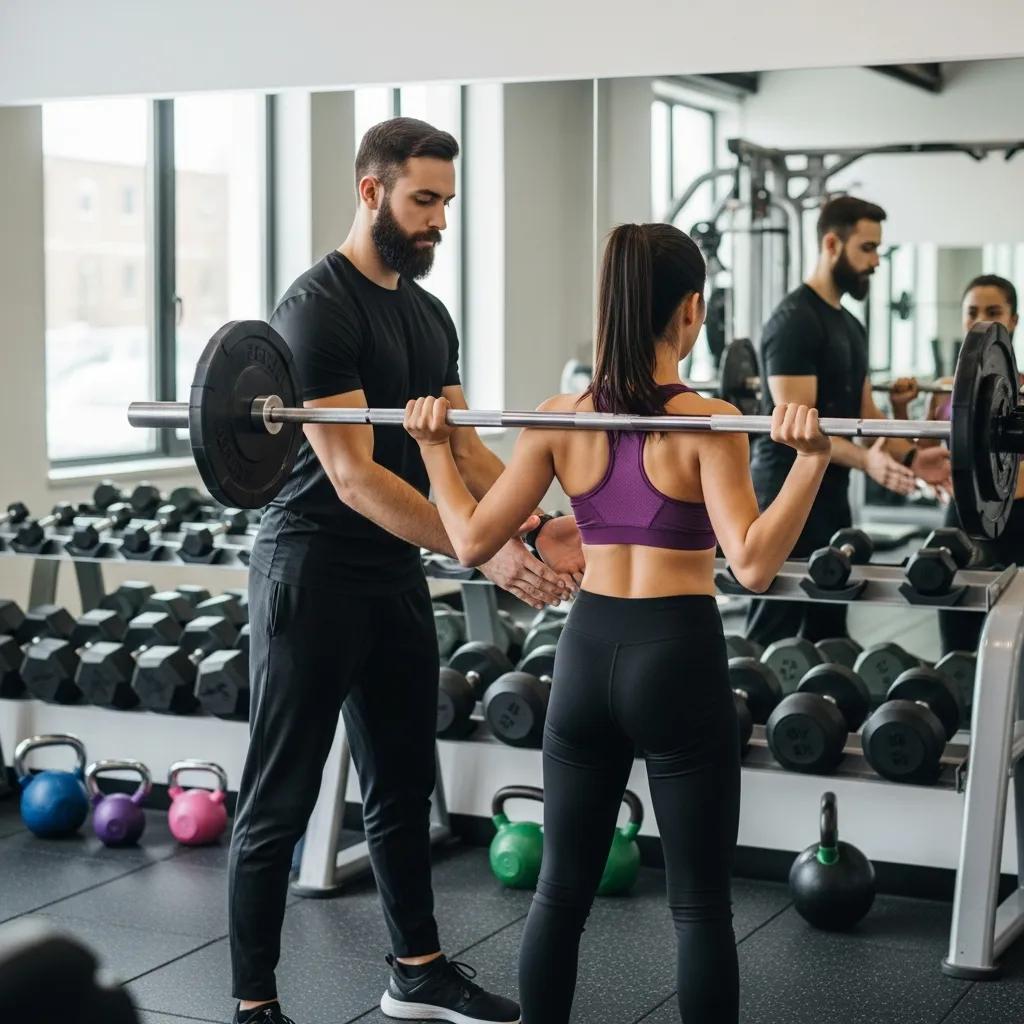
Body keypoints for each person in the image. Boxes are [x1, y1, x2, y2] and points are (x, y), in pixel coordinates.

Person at [404, 221, 833, 1023]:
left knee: (559, 894)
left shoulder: (559, 419)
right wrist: (809, 464)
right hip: (677, 654)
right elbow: (752, 565)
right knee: (699, 907)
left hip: (586, 654)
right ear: (691, 309)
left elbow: (469, 541)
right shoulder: (709, 423)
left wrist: (433, 448)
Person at [229, 117, 584, 1024]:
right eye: (424, 200)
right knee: (280, 798)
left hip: (392, 575)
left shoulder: (427, 315)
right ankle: (254, 1005)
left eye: (446, 203)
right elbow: (353, 476)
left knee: (400, 783)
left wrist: (533, 523)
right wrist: (482, 550)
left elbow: (462, 451)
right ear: (372, 191)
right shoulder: (317, 308)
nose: (438, 221)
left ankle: (416, 971)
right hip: (309, 574)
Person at [745, 196, 952, 647]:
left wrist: (914, 459)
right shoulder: (793, 322)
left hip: (830, 497)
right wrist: (867, 463)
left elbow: (867, 416)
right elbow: (799, 431)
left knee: (829, 622)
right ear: (832, 244)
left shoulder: (851, 327)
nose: (876, 261)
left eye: (878, 249)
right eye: (867, 248)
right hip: (784, 495)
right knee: (773, 628)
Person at [889, 274, 1021, 654]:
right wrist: (900, 407)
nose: (980, 320)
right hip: (960, 521)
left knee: (1013, 636)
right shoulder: (947, 389)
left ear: (1013, 320)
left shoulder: (1021, 388)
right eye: (972, 312)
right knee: (957, 629)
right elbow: (924, 454)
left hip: (1016, 521)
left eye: (993, 312)